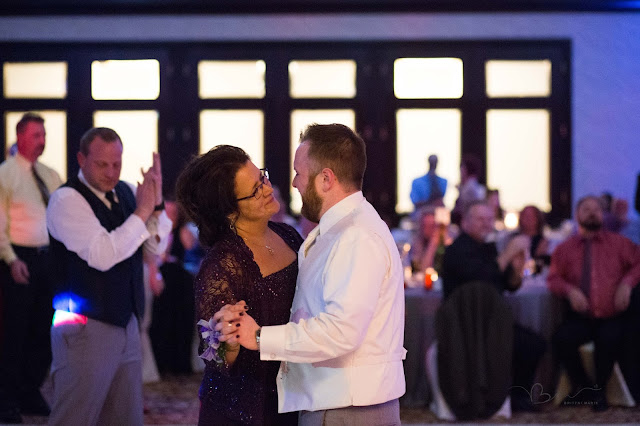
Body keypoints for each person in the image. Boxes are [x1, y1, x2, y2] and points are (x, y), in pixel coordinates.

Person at [215, 123, 406, 426]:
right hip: (337, 400)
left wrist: (261, 337)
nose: (293, 183)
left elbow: (341, 332)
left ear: (326, 179)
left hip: (349, 408)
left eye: (299, 173)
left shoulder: (356, 236)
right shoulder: (339, 229)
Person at [46, 127, 172, 425]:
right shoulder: (66, 200)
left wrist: (155, 207)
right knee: (75, 415)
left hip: (126, 320)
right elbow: (103, 255)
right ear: (81, 159)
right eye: (102, 164)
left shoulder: (126, 193)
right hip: (83, 326)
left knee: (124, 416)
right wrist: (142, 213)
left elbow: (154, 246)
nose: (111, 172)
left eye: (116, 164)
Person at [175, 145, 302, 426]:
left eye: (263, 178)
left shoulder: (288, 235)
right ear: (230, 211)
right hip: (245, 408)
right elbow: (216, 358)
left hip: (292, 391)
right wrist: (227, 341)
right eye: (256, 190)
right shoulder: (222, 265)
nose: (268, 189)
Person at [442, 201, 547, 412]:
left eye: (489, 219)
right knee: (527, 344)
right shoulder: (457, 250)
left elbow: (506, 286)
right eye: (481, 219)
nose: (486, 224)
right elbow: (481, 278)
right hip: (465, 326)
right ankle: (505, 397)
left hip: (491, 322)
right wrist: (508, 254)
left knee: (534, 343)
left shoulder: (487, 248)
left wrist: (515, 270)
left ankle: (516, 396)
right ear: (466, 223)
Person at [547, 195, 640, 411]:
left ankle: (599, 390)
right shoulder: (564, 249)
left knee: (609, 338)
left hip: (611, 315)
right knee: (561, 339)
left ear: (603, 215)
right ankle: (585, 388)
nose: (592, 212)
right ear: (577, 215)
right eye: (586, 208)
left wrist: (627, 282)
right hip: (582, 316)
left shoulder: (619, 243)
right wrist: (569, 290)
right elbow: (553, 278)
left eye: (597, 209)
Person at [0, 112, 63, 423]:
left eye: (44, 134)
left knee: (44, 329)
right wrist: (11, 260)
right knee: (15, 331)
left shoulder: (50, 175)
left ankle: (30, 390)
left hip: (47, 258)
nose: (42, 140)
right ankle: (7, 398)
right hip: (18, 259)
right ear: (20, 135)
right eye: (36, 134)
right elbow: (0, 224)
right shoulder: (5, 174)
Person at [451, 154, 486, 225]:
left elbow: (463, 208)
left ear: (466, 170)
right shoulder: (476, 186)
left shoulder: (469, 188)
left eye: (461, 170)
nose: (460, 173)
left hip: (469, 222)